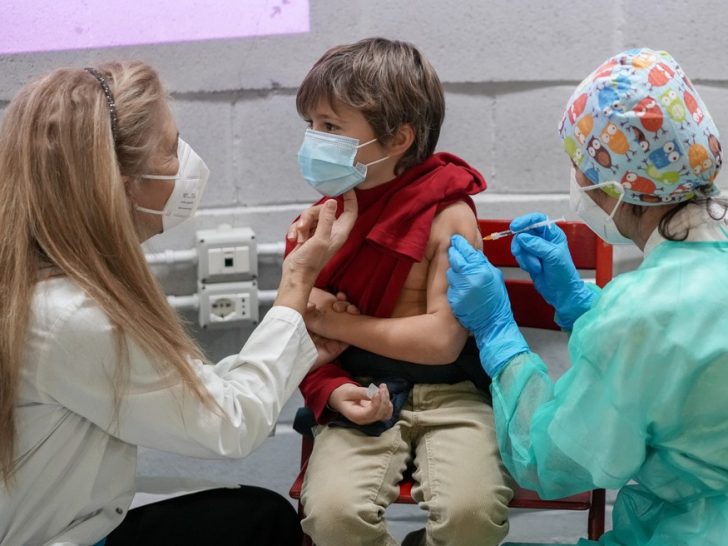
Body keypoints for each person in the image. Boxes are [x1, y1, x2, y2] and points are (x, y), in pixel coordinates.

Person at [0, 61, 357, 546]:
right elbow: (231, 423)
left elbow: (182, 392)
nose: (186, 162)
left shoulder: (45, 285)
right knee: (266, 522)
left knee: (255, 514)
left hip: (58, 518)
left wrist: (296, 348)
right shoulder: (72, 316)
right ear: (123, 181)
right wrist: (296, 281)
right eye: (170, 150)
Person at [447, 48, 728, 545]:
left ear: (616, 183)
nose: (576, 180)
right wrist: (581, 304)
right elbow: (680, 352)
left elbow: (552, 462)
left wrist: (498, 334)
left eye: (580, 164)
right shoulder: (667, 294)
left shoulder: (639, 314)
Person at [286, 38, 513, 546]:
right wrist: (334, 392)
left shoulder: (446, 212)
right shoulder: (322, 219)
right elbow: (296, 334)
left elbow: (440, 341)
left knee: (472, 516)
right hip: (359, 388)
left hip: (454, 396)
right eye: (311, 125)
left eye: (331, 126)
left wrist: (329, 320)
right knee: (332, 518)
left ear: (398, 139)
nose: (314, 140)